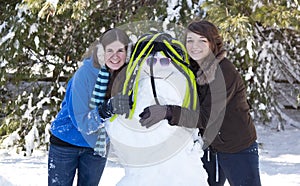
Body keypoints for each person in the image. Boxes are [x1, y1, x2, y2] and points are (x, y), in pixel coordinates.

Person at [139, 20, 262, 186]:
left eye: (202, 40)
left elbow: (206, 117)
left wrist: (168, 112)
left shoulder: (223, 72)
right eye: (190, 40)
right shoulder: (193, 68)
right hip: (210, 148)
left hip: (237, 148)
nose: (194, 46)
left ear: (213, 43)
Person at [48, 28, 131, 186]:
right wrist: (106, 109)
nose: (115, 56)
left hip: (97, 147)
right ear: (101, 52)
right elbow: (82, 123)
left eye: (120, 50)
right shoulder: (84, 74)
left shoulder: (126, 77)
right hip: (67, 142)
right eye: (110, 50)